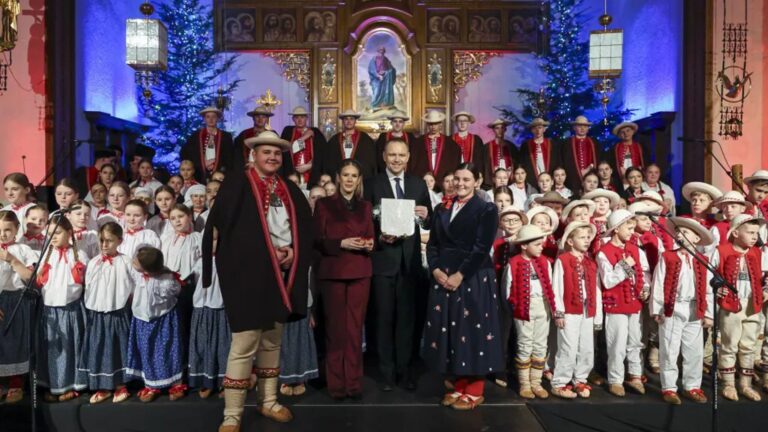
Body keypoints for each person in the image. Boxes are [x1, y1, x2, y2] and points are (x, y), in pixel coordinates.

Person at [202, 130, 313, 431]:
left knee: (272, 339)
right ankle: (233, 413)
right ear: (254, 154)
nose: (273, 157)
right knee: (245, 342)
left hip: (281, 275)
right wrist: (263, 256)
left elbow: (302, 228)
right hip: (249, 276)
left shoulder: (289, 189)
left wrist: (291, 251)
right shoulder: (238, 184)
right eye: (267, 152)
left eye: (277, 153)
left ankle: (268, 401)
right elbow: (225, 229)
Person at [423, 162, 502, 410]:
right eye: (457, 179)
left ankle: (475, 390)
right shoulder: (442, 207)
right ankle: (459, 386)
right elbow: (433, 244)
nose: (460, 184)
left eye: (466, 179)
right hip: (443, 275)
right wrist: (435, 269)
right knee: (452, 331)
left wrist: (460, 274)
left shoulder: (486, 209)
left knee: (473, 330)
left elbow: (481, 248)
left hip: (473, 277)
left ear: (477, 182)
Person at [364, 140, 432, 392]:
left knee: (407, 320)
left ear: (408, 157)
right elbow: (363, 221)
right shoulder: (371, 184)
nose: (396, 159)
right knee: (383, 319)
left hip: (410, 263)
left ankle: (405, 372)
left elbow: (430, 221)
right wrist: (378, 237)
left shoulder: (417, 184)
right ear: (384, 156)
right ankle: (386, 374)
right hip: (382, 261)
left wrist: (426, 217)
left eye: (401, 155)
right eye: (392, 154)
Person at [314, 159, 374, 400]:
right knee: (336, 330)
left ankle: (353, 383)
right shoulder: (324, 205)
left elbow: (371, 235)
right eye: (346, 175)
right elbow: (316, 239)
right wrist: (340, 243)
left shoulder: (366, 206)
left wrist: (370, 243)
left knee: (354, 329)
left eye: (354, 175)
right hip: (334, 272)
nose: (349, 179)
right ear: (338, 178)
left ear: (359, 179)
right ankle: (336, 384)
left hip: (360, 271)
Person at [650, 217, 713, 404]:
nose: (679, 235)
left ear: (696, 238)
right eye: (678, 232)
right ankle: (669, 387)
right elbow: (659, 283)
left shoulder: (702, 260)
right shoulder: (668, 256)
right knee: (669, 348)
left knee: (694, 351)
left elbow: (708, 288)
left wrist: (708, 312)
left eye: (685, 232)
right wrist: (657, 308)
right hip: (673, 306)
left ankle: (692, 385)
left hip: (694, 307)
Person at [709, 214, 766, 401]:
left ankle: (745, 384)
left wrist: (764, 289)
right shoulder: (722, 250)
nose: (754, 237)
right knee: (729, 345)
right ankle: (728, 384)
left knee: (748, 345)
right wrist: (717, 289)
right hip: (731, 305)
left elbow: (762, 276)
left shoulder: (757, 252)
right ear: (735, 233)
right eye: (750, 232)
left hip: (752, 303)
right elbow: (711, 274)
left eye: (756, 233)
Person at [78, 222, 134, 404]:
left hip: (118, 312)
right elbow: (89, 287)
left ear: (120, 240)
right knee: (99, 347)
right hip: (97, 313)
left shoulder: (126, 261)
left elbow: (133, 286)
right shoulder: (94, 262)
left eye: (109, 241)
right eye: (102, 240)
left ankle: (120, 385)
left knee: (118, 347)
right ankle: (103, 385)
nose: (104, 245)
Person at [596, 209, 649, 397]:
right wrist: (625, 265)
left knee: (635, 341)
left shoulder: (635, 249)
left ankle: (635, 375)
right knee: (617, 343)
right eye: (628, 227)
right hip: (616, 305)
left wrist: (645, 288)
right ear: (616, 229)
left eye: (633, 227)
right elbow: (608, 281)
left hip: (634, 304)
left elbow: (643, 272)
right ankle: (615, 379)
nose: (632, 231)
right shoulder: (604, 252)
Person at [36, 215, 88, 401]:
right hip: (50, 310)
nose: (53, 237)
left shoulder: (79, 256)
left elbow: (84, 283)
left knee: (71, 348)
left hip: (70, 310)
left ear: (69, 233)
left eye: (57, 233)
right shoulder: (45, 256)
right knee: (53, 350)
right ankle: (54, 385)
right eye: (50, 234)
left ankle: (71, 385)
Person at [125, 246, 186, 402]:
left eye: (136, 261)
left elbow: (175, 292)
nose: (132, 261)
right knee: (146, 350)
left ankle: (175, 382)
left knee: (167, 349)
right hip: (142, 320)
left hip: (163, 320)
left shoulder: (166, 281)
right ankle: (151, 383)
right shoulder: (138, 275)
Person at [550, 221, 601, 399]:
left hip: (587, 310)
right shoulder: (563, 260)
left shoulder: (590, 261)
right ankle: (560, 382)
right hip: (570, 310)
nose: (587, 240)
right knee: (568, 347)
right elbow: (557, 287)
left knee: (586, 347)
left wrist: (597, 315)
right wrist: (559, 312)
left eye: (588, 237)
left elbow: (596, 288)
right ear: (570, 241)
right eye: (582, 237)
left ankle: (580, 378)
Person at [504, 224, 554, 400]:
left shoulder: (546, 263)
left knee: (541, 344)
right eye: (537, 244)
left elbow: (550, 287)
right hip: (523, 308)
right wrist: (515, 306)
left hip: (543, 306)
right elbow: (507, 290)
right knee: (525, 344)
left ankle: (536, 382)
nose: (542, 247)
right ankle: (525, 383)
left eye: (542, 243)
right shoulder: (514, 263)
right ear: (524, 245)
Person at [0, 211, 37, 404]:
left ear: (16, 230)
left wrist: (12, 260)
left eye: (8, 230)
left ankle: (16, 382)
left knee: (16, 340)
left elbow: (30, 278)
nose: (3, 234)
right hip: (0, 299)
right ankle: (2, 383)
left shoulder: (22, 249)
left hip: (18, 299)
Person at [314, 110, 378, 184]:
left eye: (351, 119)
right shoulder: (334, 140)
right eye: (346, 119)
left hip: (360, 180)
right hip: (339, 180)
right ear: (343, 121)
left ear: (355, 121)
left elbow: (370, 162)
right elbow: (328, 162)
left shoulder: (365, 139)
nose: (349, 121)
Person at [181, 107, 234, 184]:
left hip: (220, 176)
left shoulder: (226, 137)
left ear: (218, 119)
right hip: (199, 175)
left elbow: (230, 157)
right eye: (208, 117)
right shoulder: (195, 136)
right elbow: (185, 153)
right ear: (204, 119)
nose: (211, 119)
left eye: (214, 117)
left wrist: (224, 171)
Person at [409, 110, 461, 183]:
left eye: (436, 124)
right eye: (431, 124)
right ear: (427, 124)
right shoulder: (418, 143)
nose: (433, 127)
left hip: (443, 182)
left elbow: (455, 163)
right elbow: (413, 164)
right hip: (423, 181)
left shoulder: (450, 143)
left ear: (440, 124)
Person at [279, 107, 327, 186]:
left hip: (311, 174)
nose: (300, 120)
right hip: (292, 175)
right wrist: (305, 137)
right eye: (297, 117)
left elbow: (323, 154)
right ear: (293, 119)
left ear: (307, 118)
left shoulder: (316, 132)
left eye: (302, 117)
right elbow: (286, 151)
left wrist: (311, 165)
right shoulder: (288, 131)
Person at [562, 116, 602, 192]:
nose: (583, 128)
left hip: (592, 180)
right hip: (573, 180)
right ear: (574, 127)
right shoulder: (567, 143)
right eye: (580, 126)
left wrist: (590, 169)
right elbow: (566, 162)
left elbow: (599, 159)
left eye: (585, 126)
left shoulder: (594, 142)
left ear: (588, 128)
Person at [519, 118, 561, 187]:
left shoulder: (552, 144)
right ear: (532, 130)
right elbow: (522, 164)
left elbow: (557, 162)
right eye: (535, 128)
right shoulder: (526, 145)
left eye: (540, 128)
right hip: (532, 183)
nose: (538, 130)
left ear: (544, 129)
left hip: (549, 182)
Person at [451, 112, 487, 184]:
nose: (462, 123)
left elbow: (480, 159)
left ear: (469, 123)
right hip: (455, 174)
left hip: (472, 174)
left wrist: (479, 173)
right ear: (456, 123)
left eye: (465, 121)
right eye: (459, 121)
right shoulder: (450, 139)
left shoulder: (476, 140)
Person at [2, 173, 35, 240]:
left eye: (15, 189)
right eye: (6, 189)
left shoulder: (35, 210)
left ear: (27, 190)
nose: (10, 193)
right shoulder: (3, 211)